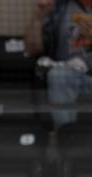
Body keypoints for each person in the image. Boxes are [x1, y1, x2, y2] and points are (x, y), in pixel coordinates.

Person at [24, 0, 92, 129]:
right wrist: (38, 17)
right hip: (70, 75)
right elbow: (32, 50)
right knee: (58, 75)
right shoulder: (60, 7)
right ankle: (66, 135)